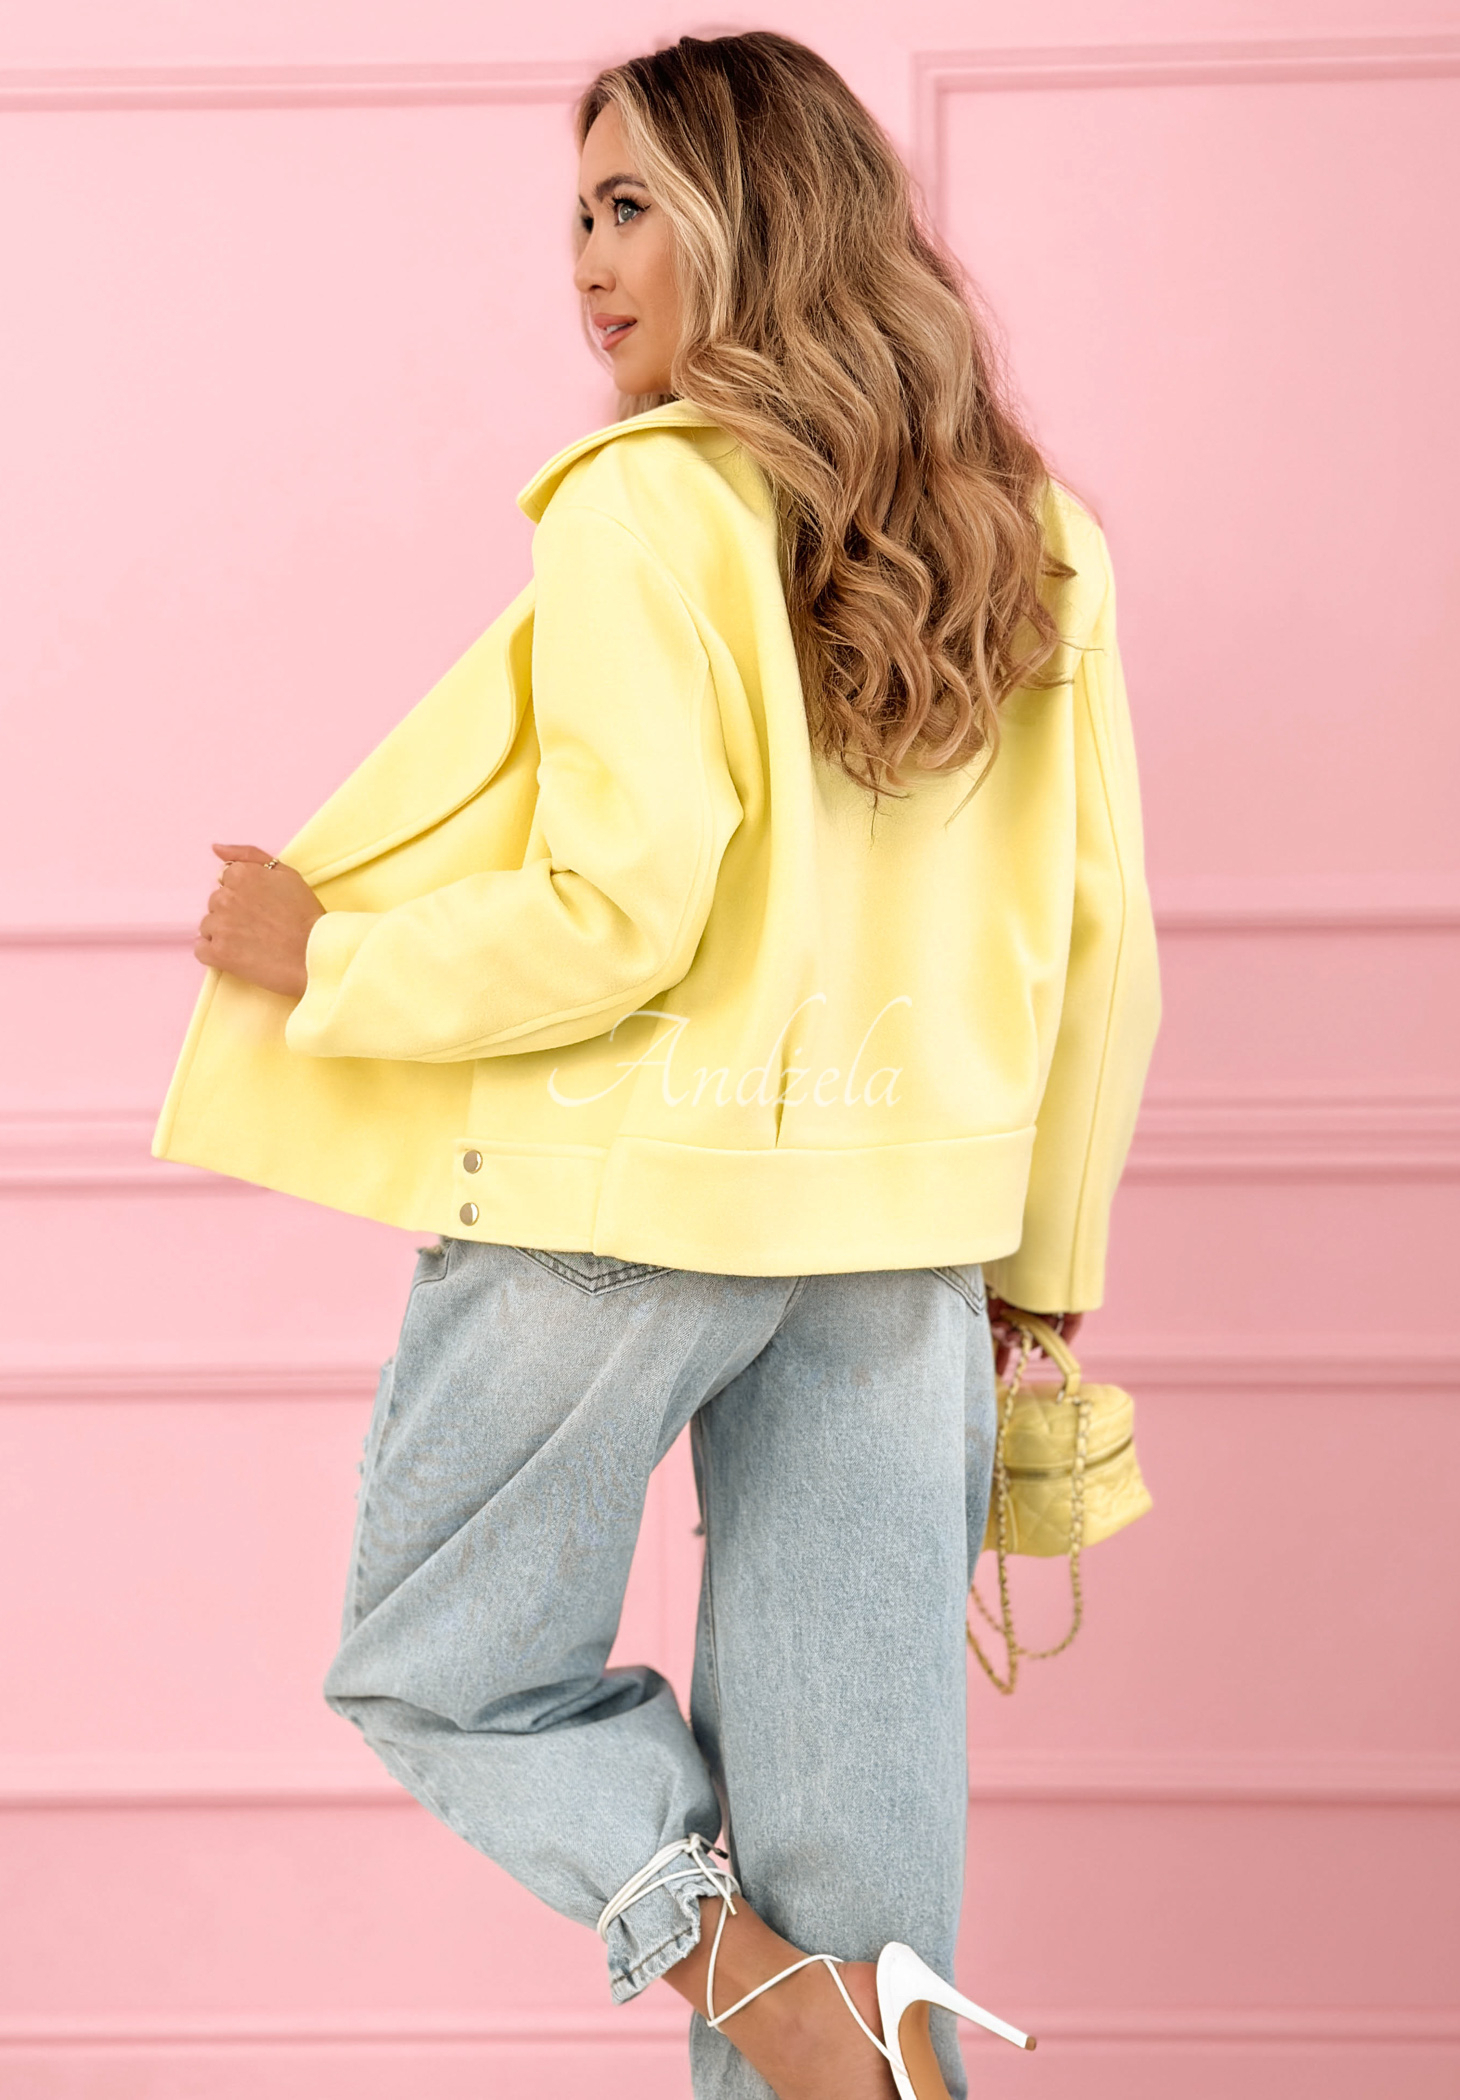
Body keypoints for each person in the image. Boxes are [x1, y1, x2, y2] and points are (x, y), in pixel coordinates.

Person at [154, 31, 1159, 2100]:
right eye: (579, 215)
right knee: (857, 1843)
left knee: (439, 1667)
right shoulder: (1038, 538)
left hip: (633, 1200)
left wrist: (330, 958)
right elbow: (1100, 950)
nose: (587, 262)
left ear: (751, 214)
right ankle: (851, 2027)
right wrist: (1042, 1273)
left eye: (629, 207)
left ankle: (747, 1980)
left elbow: (620, 911)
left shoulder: (645, 506)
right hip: (909, 1240)